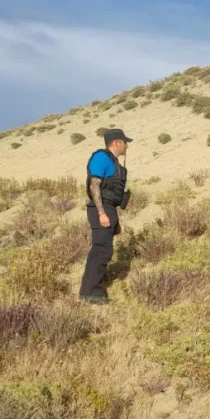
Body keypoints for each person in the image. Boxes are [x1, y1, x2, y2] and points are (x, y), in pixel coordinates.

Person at [78, 128, 133, 304]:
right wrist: (102, 213)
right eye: (125, 142)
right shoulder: (101, 157)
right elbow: (95, 185)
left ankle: (87, 292)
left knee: (100, 251)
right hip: (100, 208)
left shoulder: (114, 162)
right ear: (117, 142)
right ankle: (93, 294)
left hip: (109, 208)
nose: (127, 146)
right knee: (102, 251)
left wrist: (114, 220)